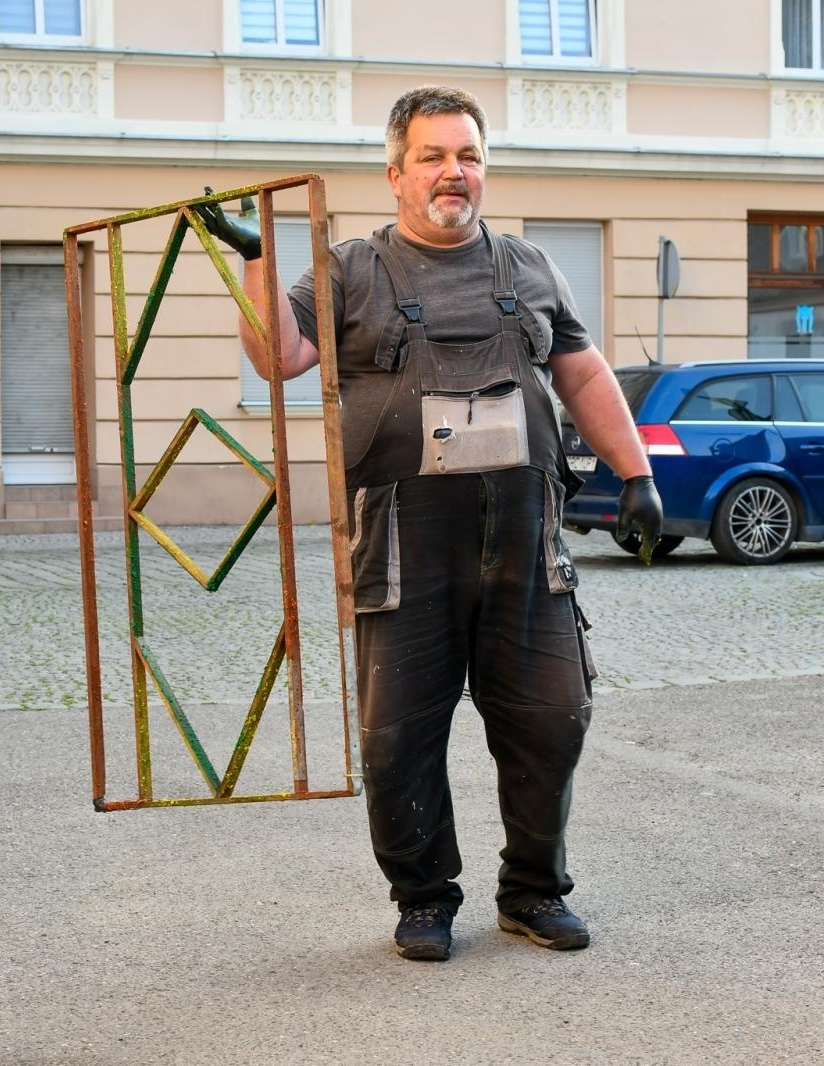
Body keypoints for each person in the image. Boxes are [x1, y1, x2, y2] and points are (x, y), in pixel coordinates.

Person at [195, 85, 662, 962]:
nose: (455, 172)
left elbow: (583, 373)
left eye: (469, 156)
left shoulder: (529, 266)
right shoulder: (349, 270)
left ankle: (533, 891)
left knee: (553, 716)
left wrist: (636, 474)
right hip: (404, 543)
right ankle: (423, 898)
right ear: (396, 174)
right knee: (400, 734)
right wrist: (257, 260)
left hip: (526, 538)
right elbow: (280, 357)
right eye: (434, 157)